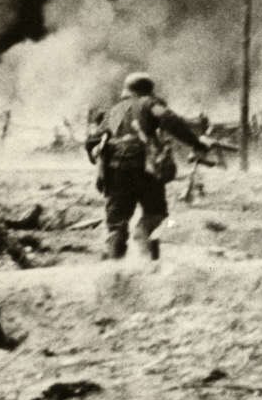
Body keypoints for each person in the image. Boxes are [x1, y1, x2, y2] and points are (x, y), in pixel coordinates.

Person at [90, 72, 210, 260]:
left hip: (116, 172)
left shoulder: (117, 111)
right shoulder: (150, 104)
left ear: (127, 90)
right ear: (148, 90)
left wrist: (100, 164)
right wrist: (196, 143)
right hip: (146, 169)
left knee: (116, 225)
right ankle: (145, 248)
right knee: (154, 214)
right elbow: (172, 121)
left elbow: (93, 140)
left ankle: (114, 272)